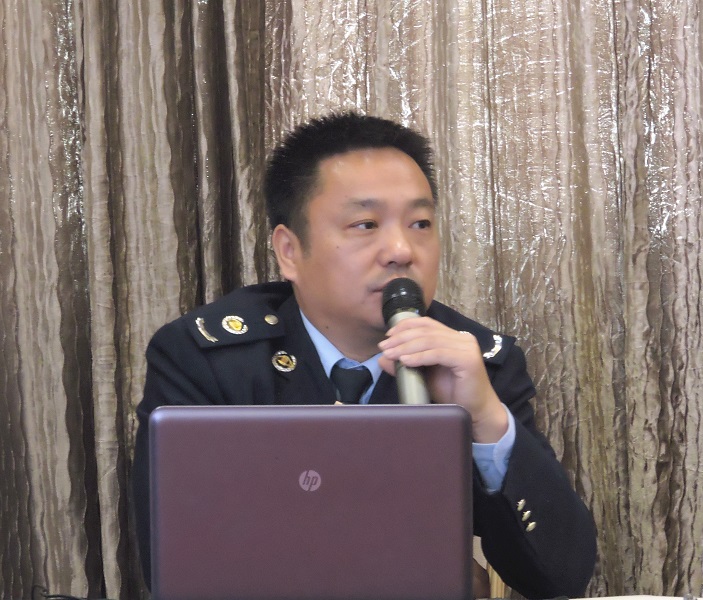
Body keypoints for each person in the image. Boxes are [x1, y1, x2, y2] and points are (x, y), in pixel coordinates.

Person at [132, 111, 597, 598]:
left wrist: (486, 419)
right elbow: (178, 567)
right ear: (289, 251)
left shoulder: (474, 363)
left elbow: (558, 577)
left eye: (420, 223)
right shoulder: (206, 359)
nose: (401, 250)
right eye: (365, 224)